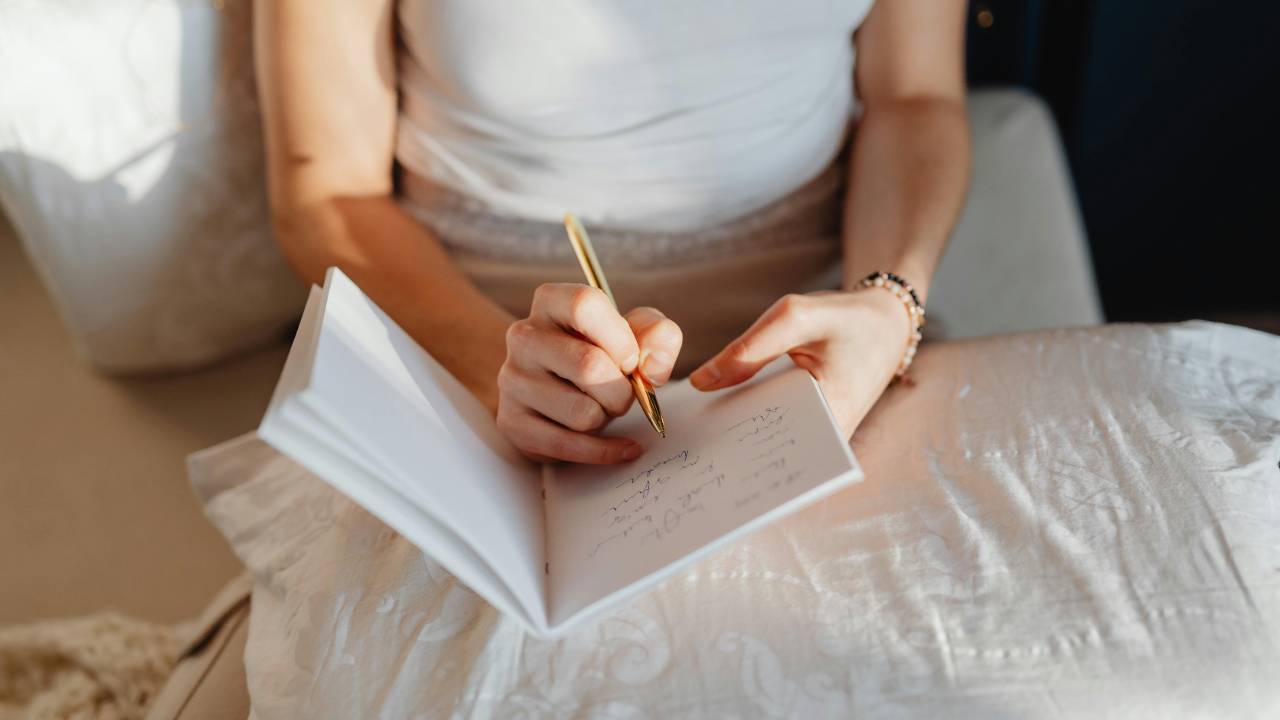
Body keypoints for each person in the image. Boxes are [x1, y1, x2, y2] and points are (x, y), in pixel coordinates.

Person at [255, 0, 970, 464]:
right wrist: (495, 369)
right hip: (467, 335)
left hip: (817, 333)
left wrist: (888, 304)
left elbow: (914, 98)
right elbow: (326, 195)